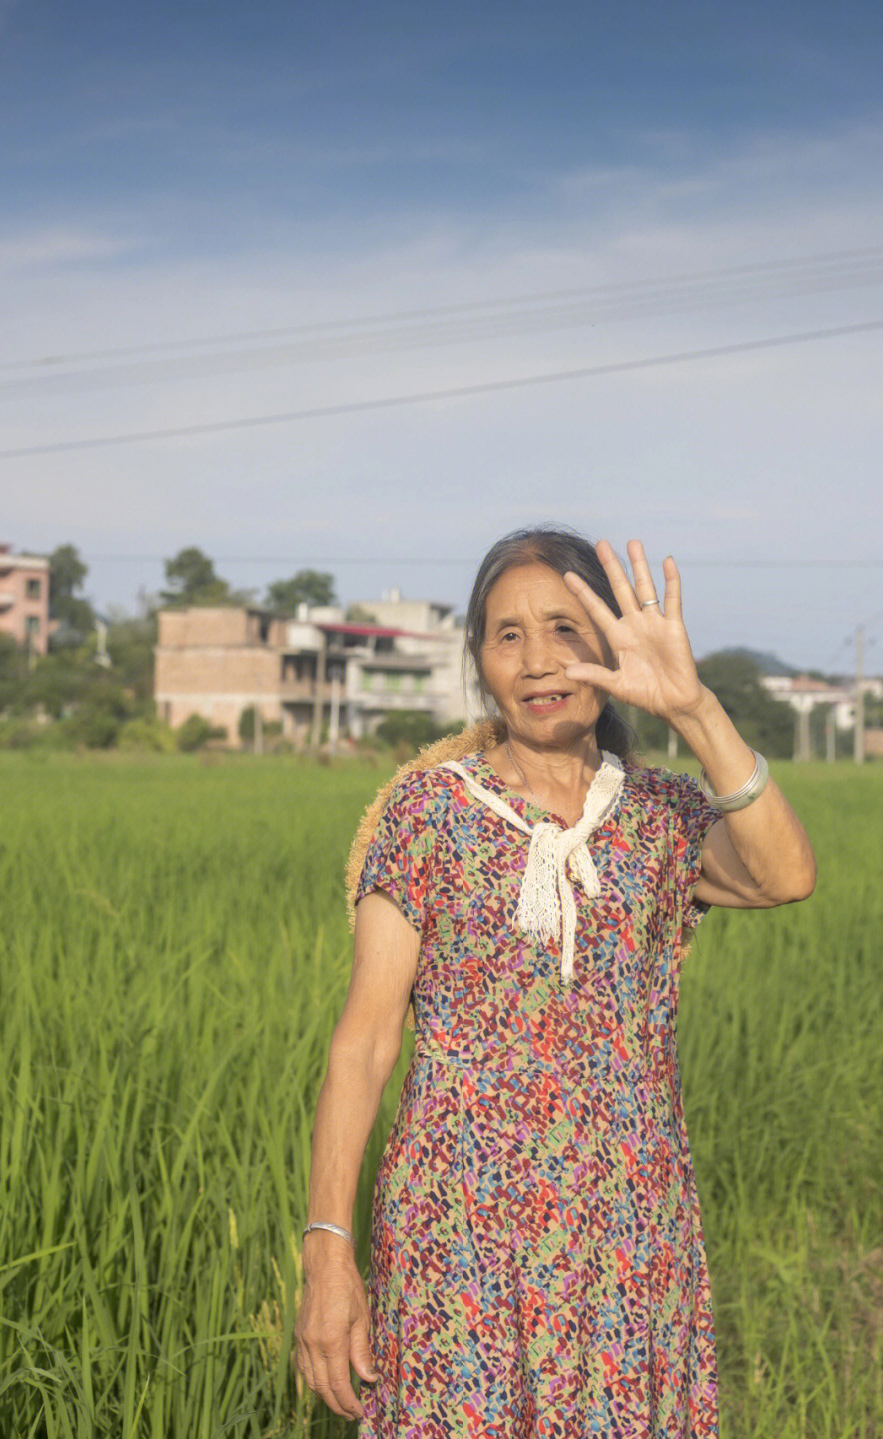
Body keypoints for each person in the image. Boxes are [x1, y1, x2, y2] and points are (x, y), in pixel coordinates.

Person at [294, 528, 815, 1436]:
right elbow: (365, 1041)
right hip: (458, 1234)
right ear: (480, 661)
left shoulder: (658, 818)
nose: (539, 661)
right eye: (508, 635)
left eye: (566, 629)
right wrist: (328, 1252)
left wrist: (696, 710)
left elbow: (784, 874)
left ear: (612, 649)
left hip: (628, 1234)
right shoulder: (431, 813)